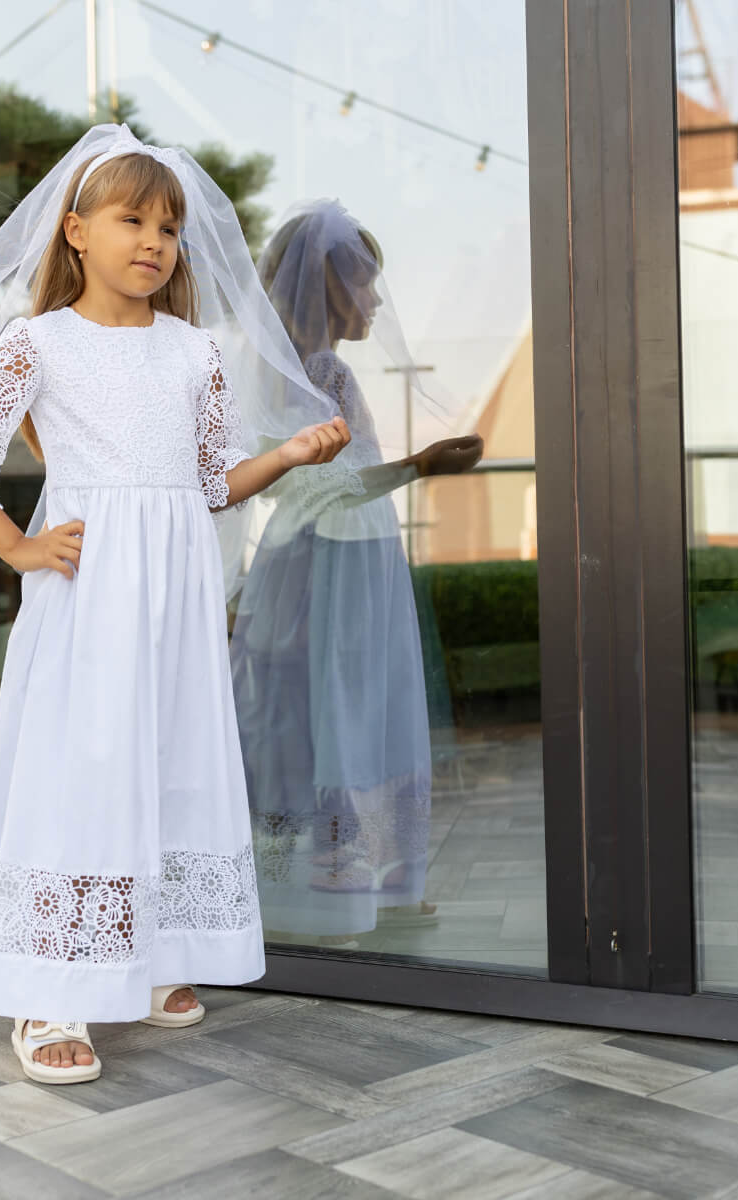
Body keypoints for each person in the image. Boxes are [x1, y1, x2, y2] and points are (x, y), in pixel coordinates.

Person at [0, 126, 350, 1085]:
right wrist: (19, 545)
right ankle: (48, 993)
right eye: (132, 219)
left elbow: (212, 481)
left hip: (176, 601)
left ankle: (149, 959)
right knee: (83, 768)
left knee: (168, 758)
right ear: (75, 232)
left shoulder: (193, 352)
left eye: (171, 227)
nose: (154, 240)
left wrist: (289, 455)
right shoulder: (39, 342)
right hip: (91, 592)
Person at [228, 201, 482, 947]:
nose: (374, 302)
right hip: (330, 562)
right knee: (346, 704)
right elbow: (317, 485)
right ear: (329, 288)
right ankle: (348, 879)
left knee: (317, 708)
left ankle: (338, 876)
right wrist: (420, 465)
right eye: (365, 285)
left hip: (330, 555)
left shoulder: (295, 370)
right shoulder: (320, 373)